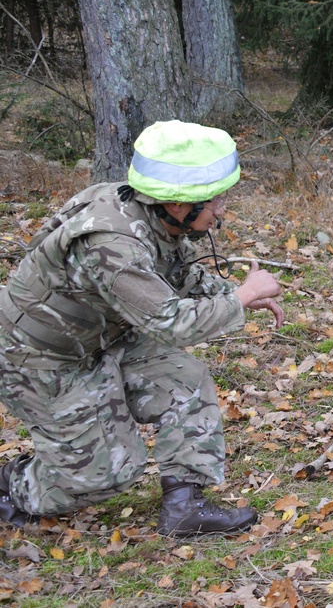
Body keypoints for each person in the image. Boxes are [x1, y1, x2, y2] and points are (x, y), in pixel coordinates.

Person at [0, 120, 285, 536]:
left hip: (105, 337)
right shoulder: (110, 242)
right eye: (214, 200)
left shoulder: (149, 214)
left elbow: (172, 274)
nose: (221, 209)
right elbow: (172, 323)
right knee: (109, 473)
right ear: (176, 205)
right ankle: (12, 487)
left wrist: (231, 292)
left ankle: (186, 506)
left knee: (185, 380)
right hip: (40, 357)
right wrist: (238, 298)